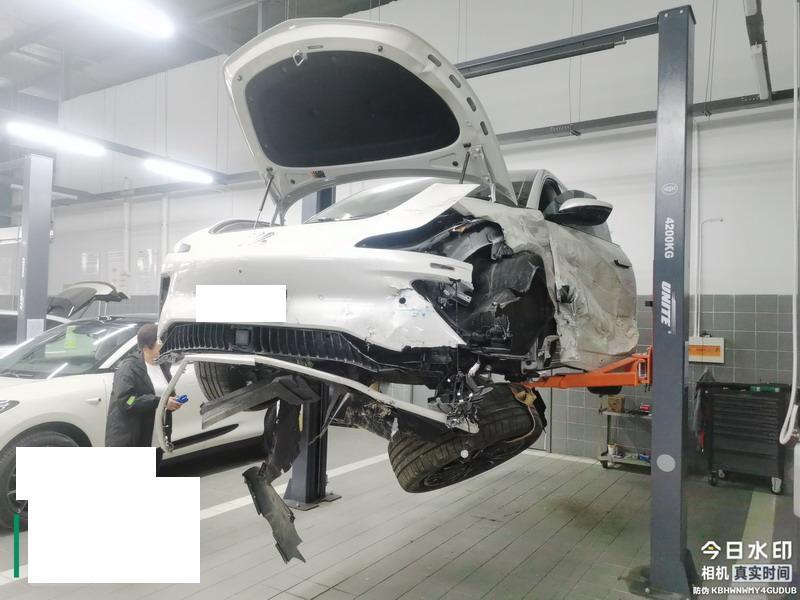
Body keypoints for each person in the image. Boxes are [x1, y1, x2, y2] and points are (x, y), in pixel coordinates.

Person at [105, 324, 182, 448]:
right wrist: (160, 402)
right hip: (131, 440)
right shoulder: (128, 368)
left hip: (156, 436)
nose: (164, 345)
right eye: (159, 342)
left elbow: (167, 393)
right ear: (146, 347)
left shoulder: (163, 365)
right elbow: (127, 400)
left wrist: (173, 401)